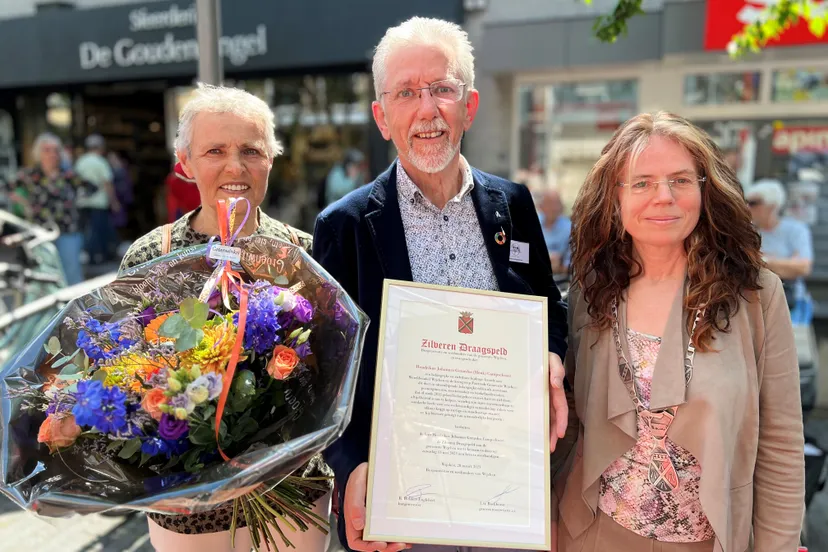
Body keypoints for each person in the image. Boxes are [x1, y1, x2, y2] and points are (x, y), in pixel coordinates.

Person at [312, 17, 569, 552]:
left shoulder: (514, 206)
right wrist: (353, 467)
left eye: (442, 89)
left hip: (505, 490)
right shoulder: (345, 226)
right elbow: (325, 369)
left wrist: (550, 356)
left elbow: (549, 309)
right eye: (406, 93)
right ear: (383, 117)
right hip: (403, 499)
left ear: (469, 105)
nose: (427, 109)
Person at [557, 111, 805, 551]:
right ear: (614, 198)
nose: (664, 197)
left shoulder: (754, 295)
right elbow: (570, 422)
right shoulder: (592, 291)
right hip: (588, 536)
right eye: (642, 182)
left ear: (706, 190)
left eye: (681, 180)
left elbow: (781, 446)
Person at [119, 83, 333, 552]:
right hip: (186, 506)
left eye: (251, 150)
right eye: (215, 150)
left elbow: (335, 380)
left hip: (292, 497)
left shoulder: (306, 256)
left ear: (271, 161)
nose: (236, 166)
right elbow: (123, 374)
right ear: (184, 162)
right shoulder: (151, 255)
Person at [0, 133, 94, 285]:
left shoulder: (68, 175)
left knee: (71, 273)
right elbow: (5, 188)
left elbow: (91, 188)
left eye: (55, 150)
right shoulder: (29, 175)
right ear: (39, 153)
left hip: (67, 229)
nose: (52, 154)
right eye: (47, 150)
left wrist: (75, 201)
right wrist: (22, 201)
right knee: (42, 275)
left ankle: (75, 308)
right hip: (39, 232)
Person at [746, 178, 814, 324]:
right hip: (754, 303)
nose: (747, 207)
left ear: (772, 206)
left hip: (790, 302)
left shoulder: (796, 230)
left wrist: (761, 261)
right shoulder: (746, 232)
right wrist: (785, 264)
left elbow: (803, 267)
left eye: (754, 203)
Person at [76, 134, 120, 264]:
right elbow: (107, 183)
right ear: (100, 147)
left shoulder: (80, 162)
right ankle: (102, 256)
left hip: (82, 203)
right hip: (99, 203)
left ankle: (90, 255)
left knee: (87, 230)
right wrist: (114, 202)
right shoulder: (101, 162)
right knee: (100, 230)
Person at [536, 188, 571, 275]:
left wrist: (560, 264)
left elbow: (570, 263)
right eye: (549, 204)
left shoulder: (570, 228)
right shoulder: (531, 224)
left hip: (559, 277)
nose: (553, 208)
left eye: (557, 203)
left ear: (562, 207)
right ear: (540, 206)